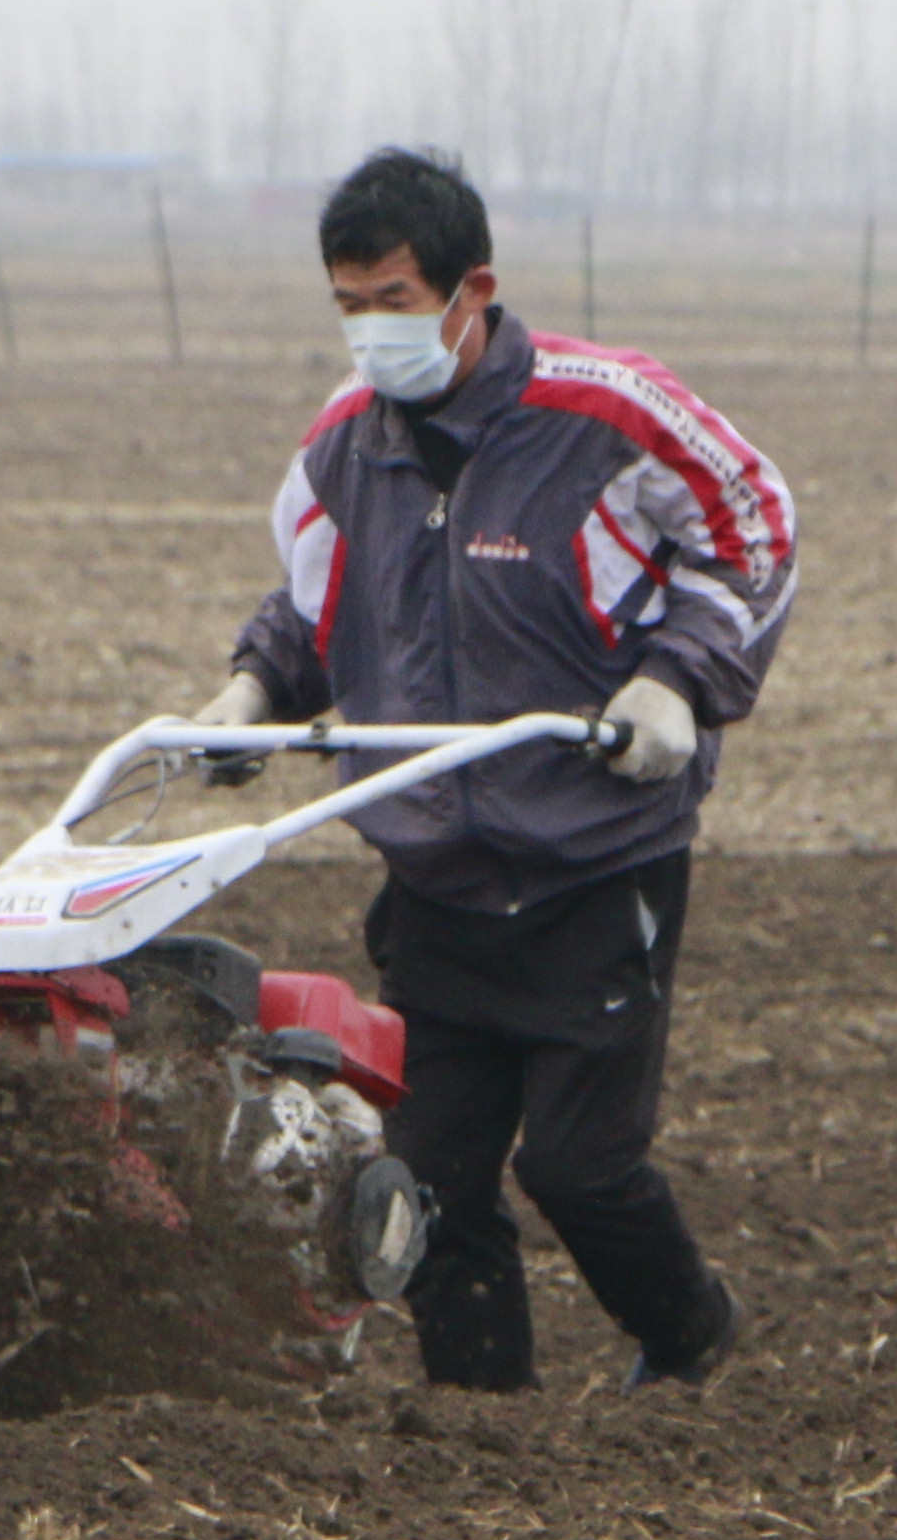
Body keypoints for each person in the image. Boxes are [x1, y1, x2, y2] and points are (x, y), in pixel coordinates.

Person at [196, 148, 797, 1391]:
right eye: (349, 306)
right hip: (435, 880)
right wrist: (249, 695)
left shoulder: (609, 414)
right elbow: (318, 608)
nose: (371, 334)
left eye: (396, 302)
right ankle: (483, 1431)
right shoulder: (340, 456)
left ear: (473, 291)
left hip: (592, 862)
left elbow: (757, 533)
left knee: (580, 1169)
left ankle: (691, 1343)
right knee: (428, 1185)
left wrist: (676, 680)